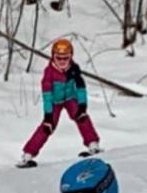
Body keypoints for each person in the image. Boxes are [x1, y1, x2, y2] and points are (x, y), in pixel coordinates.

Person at [17, 38, 101, 168]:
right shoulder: (49, 72)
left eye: (65, 58)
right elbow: (47, 95)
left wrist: (82, 105)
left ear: (71, 57)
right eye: (59, 58)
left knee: (82, 117)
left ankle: (93, 144)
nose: (62, 61)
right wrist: (48, 114)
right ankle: (28, 154)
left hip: (70, 99)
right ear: (53, 57)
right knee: (47, 126)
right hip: (55, 102)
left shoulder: (74, 69)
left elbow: (80, 87)